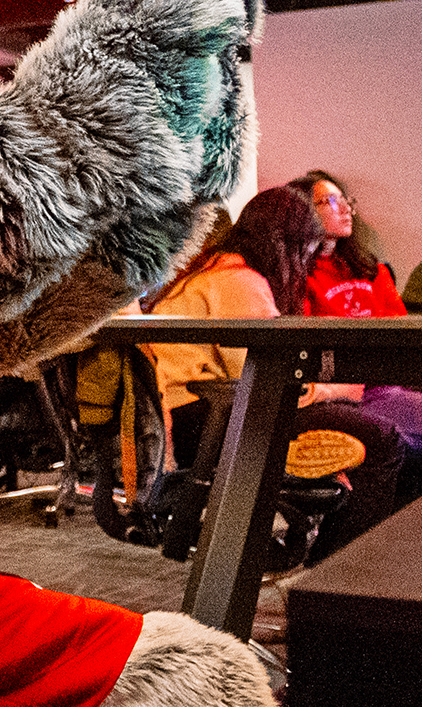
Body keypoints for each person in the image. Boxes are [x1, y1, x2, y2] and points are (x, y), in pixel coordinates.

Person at [143, 186, 404, 565]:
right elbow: (267, 380)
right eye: (305, 251)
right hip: (210, 421)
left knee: (380, 434)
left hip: (203, 414)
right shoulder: (239, 282)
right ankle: (333, 573)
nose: (304, 263)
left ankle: (337, 567)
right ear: (285, 245)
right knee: (386, 441)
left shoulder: (215, 269)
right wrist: (338, 391)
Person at [289, 170, 422, 484]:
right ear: (304, 212)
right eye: (331, 201)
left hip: (383, 386)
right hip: (338, 395)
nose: (347, 209)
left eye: (346, 200)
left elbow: (399, 335)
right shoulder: (297, 276)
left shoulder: (369, 269)